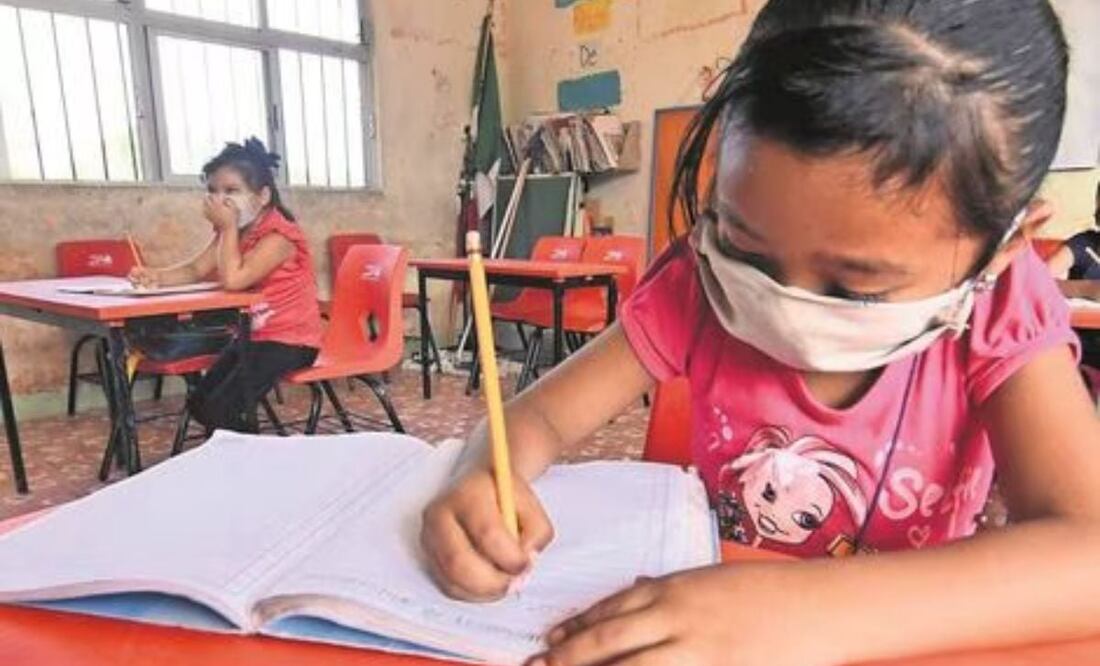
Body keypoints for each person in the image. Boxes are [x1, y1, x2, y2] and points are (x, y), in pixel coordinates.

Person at [420, 2, 1100, 664]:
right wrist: (487, 471)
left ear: (1005, 248)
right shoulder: (697, 282)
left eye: (856, 287)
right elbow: (534, 417)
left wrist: (804, 609)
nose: (784, 303)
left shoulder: (1002, 309)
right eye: (745, 247)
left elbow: (1089, 554)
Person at [130, 138, 322, 433]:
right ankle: (245, 453)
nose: (221, 200)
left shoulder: (279, 237)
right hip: (252, 336)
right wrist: (156, 276)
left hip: (289, 341)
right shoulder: (235, 232)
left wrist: (228, 226)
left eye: (232, 191)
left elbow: (233, 280)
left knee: (220, 408)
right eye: (213, 191)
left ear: (262, 196)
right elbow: (196, 268)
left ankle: (260, 460)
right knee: (200, 403)